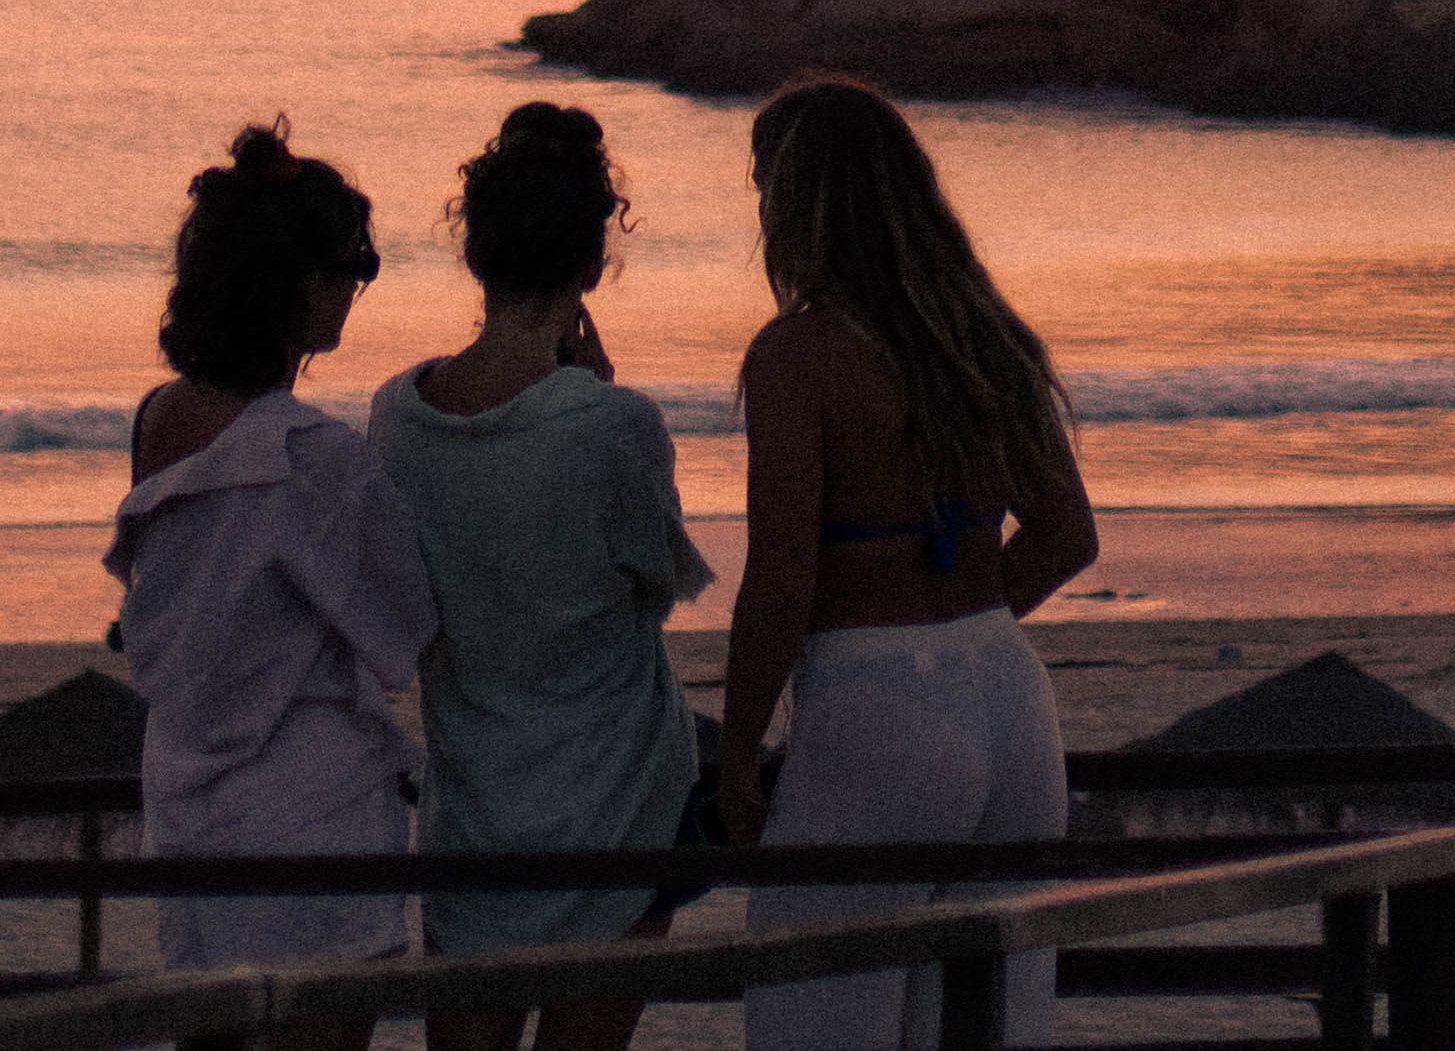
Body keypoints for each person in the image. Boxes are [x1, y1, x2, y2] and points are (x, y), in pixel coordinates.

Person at [720, 77, 1100, 1051]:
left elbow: (780, 579)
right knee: (987, 1025)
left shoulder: (795, 356)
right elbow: (1065, 537)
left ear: (800, 202)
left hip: (876, 710)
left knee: (818, 1016)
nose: (757, 206)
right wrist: (961, 613)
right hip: (1011, 705)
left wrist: (736, 757)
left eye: (763, 183)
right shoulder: (984, 334)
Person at [369, 102, 712, 1051]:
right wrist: (594, 398)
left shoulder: (396, 415)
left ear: (475, 254)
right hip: (618, 791)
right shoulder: (613, 424)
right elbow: (658, 582)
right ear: (593, 261)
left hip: (476, 793)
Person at [104, 121, 437, 1051]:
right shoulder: (313, 459)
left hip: (187, 798)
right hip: (313, 809)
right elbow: (405, 630)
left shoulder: (158, 419)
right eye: (353, 268)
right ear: (301, 286)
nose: (357, 291)